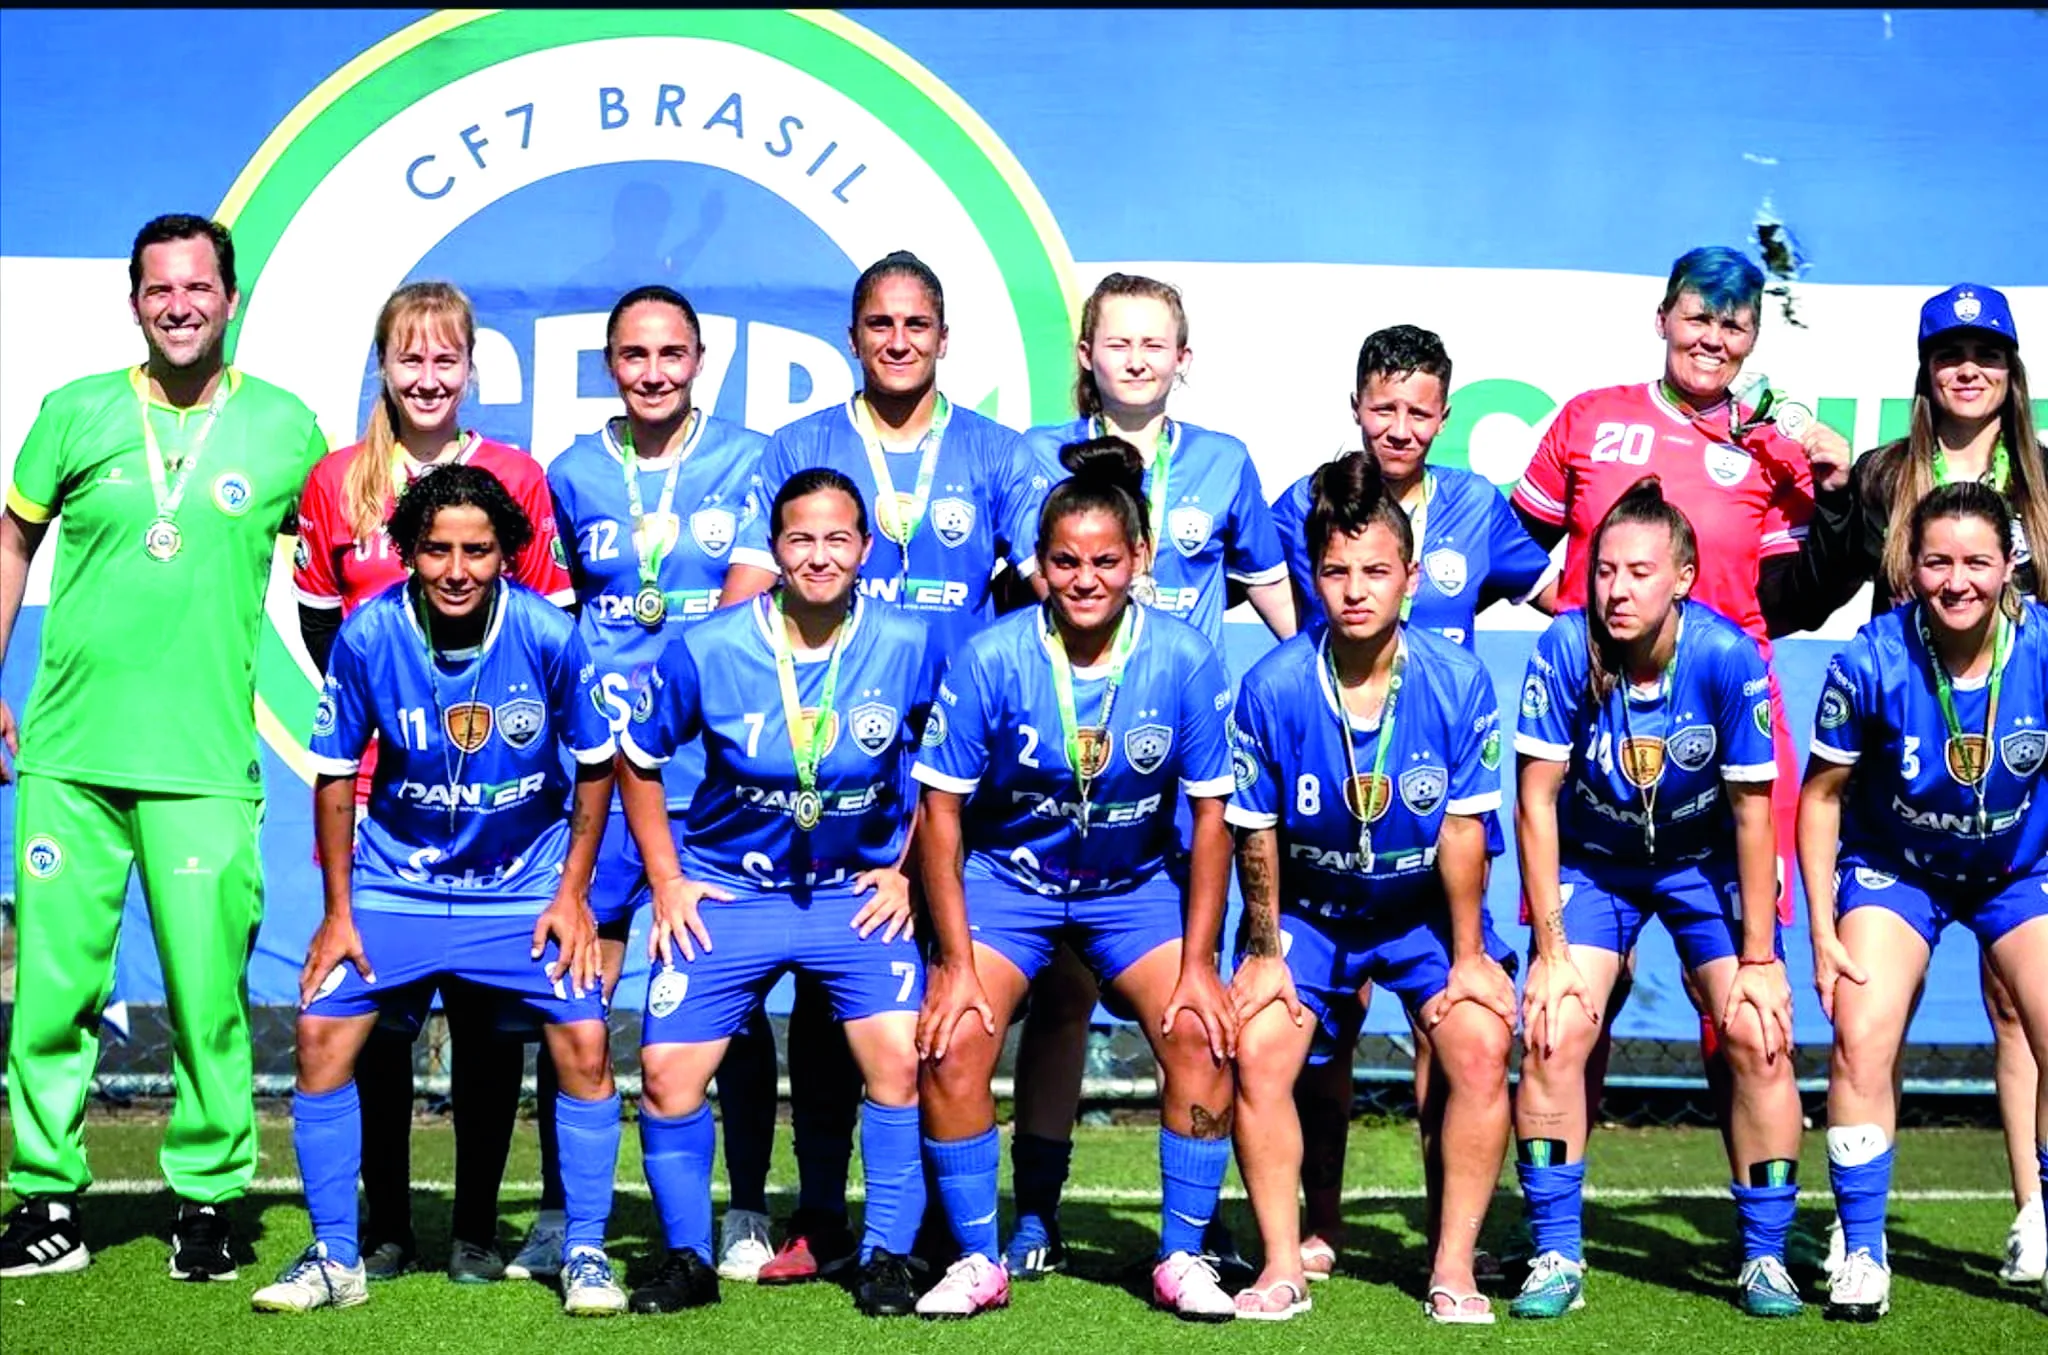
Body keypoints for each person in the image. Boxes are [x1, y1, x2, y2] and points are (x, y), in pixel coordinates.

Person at [0, 214, 328, 1281]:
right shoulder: (74, 412)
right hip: (70, 757)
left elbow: (328, 577)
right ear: (134, 300)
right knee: (52, 993)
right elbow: (11, 538)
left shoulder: (286, 427)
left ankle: (205, 1200)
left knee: (206, 998)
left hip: (201, 764)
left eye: (198, 287)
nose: (179, 304)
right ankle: (46, 1200)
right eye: (159, 289)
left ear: (230, 299)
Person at [721, 250, 1048, 1282]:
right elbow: (741, 602)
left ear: (943, 339)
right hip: (836, 763)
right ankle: (821, 1215)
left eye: (916, 324)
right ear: (852, 337)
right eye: (879, 324)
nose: (897, 340)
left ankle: (953, 1225)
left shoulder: (999, 455)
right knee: (828, 996)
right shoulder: (799, 447)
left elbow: (1063, 592)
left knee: (945, 1002)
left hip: (966, 771)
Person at [1507, 244, 1845, 1193]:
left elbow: (1799, 589)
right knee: (1573, 1004)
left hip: (1725, 736)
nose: (1713, 337)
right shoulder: (1591, 418)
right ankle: (1554, 1236)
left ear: (1752, 340)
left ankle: (1764, 1241)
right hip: (1599, 739)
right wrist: (1571, 613)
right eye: (1697, 316)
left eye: (1734, 324)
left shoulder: (1767, 444)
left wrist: (1841, 480)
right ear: (1663, 318)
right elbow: (1507, 539)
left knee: (1739, 1006)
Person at [249, 465, 625, 1315]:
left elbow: (597, 764)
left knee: (585, 1042)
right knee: (319, 1033)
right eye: (438, 550)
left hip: (520, 889)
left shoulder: (547, 634)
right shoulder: (370, 633)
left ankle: (589, 1251)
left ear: (507, 556)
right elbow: (336, 772)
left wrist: (573, 894)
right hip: (396, 887)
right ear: (409, 552)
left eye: (477, 551)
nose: (457, 568)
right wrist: (341, 912)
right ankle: (337, 1256)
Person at [1001, 271, 1296, 1280]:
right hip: (1075, 760)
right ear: (1084, 354)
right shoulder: (1036, 456)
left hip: (1185, 767)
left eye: (1153, 341)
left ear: (1183, 358)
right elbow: (1020, 585)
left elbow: (1268, 591)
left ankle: (1193, 1221)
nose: (1133, 356)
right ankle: (1033, 1212)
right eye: (1115, 340)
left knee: (1193, 1001)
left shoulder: (1221, 461)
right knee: (1064, 995)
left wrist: (1315, 685)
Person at [911, 436, 1241, 1321]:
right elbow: (940, 811)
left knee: (1202, 1032)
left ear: (1141, 559)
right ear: (1040, 564)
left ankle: (1184, 1253)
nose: (1085, 578)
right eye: (1065, 561)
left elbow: (1212, 816)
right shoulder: (993, 653)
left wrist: (1203, 962)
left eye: (1104, 560)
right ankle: (979, 1257)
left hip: (1131, 891)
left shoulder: (1182, 656)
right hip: (1008, 883)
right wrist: (953, 960)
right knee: (954, 1032)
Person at [291, 279, 573, 1285]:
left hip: (502, 794)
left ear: (471, 368)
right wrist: (384, 724)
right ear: (382, 365)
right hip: (383, 786)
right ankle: (383, 1222)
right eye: (408, 358)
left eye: (444, 357)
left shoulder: (516, 479)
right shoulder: (336, 481)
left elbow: (542, 642)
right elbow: (329, 630)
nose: (426, 376)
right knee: (380, 1020)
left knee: (496, 1019)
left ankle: (473, 1225)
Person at [616, 469, 938, 1318]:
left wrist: (905, 871)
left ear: (865, 550)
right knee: (664, 1076)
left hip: (850, 898)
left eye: (838, 539)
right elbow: (637, 758)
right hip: (728, 894)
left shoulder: (911, 643)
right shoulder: (710, 646)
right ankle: (686, 1257)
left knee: (899, 1063)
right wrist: (668, 880)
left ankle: (886, 1258)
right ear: (776, 549)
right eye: (800, 538)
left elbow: (948, 774)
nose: (819, 555)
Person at [1268, 324, 1553, 1280]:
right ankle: (1324, 1218)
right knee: (1323, 1041)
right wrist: (1294, 653)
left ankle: (1449, 1240)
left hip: (1437, 806)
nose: (1399, 426)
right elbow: (1260, 570)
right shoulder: (1313, 499)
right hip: (1330, 805)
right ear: (1356, 407)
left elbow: (1560, 591)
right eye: (1382, 407)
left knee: (1454, 1037)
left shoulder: (1474, 505)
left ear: (1444, 415)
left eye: (1418, 410)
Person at [1779, 282, 2048, 1286]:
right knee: (1866, 1022)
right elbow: (1801, 587)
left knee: (2024, 1006)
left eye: (1986, 351)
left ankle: (2032, 1211)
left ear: (2011, 370)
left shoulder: (2042, 482)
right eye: (1949, 352)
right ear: (1925, 369)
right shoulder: (1885, 475)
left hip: (2011, 785)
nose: (1967, 368)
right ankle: (1861, 1240)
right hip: (1901, 795)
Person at [1228, 451, 1516, 1323]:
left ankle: (1452, 1266)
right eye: (1336, 571)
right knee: (1260, 1049)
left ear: (1411, 576)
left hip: (1418, 911)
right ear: (1312, 578)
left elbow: (1465, 830)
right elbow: (1256, 830)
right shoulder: (1273, 685)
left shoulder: (1456, 678)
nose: (1355, 589)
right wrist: (1265, 950)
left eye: (1376, 571)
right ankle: (1283, 1264)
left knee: (1478, 1044)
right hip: (1312, 913)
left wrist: (1469, 957)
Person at [1509, 477, 1804, 1320]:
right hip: (1598, 863)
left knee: (1756, 1030)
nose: (1617, 590)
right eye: (1604, 571)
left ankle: (1766, 1257)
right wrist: (1553, 951)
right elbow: (1534, 801)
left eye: (1639, 572)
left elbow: (1754, 811)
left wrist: (1759, 960)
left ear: (1682, 576)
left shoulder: (1724, 655)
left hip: (1704, 858)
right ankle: (1555, 1252)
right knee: (1555, 1025)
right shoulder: (1567, 647)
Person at [531, 283, 777, 1284]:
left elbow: (744, 616)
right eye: (633, 354)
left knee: (737, 999)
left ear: (700, 358)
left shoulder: (749, 457)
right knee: (577, 992)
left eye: (671, 353)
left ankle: (747, 1207)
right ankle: (563, 1208)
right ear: (608, 361)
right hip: (597, 773)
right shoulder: (574, 469)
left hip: (709, 775)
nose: (653, 371)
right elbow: (553, 618)